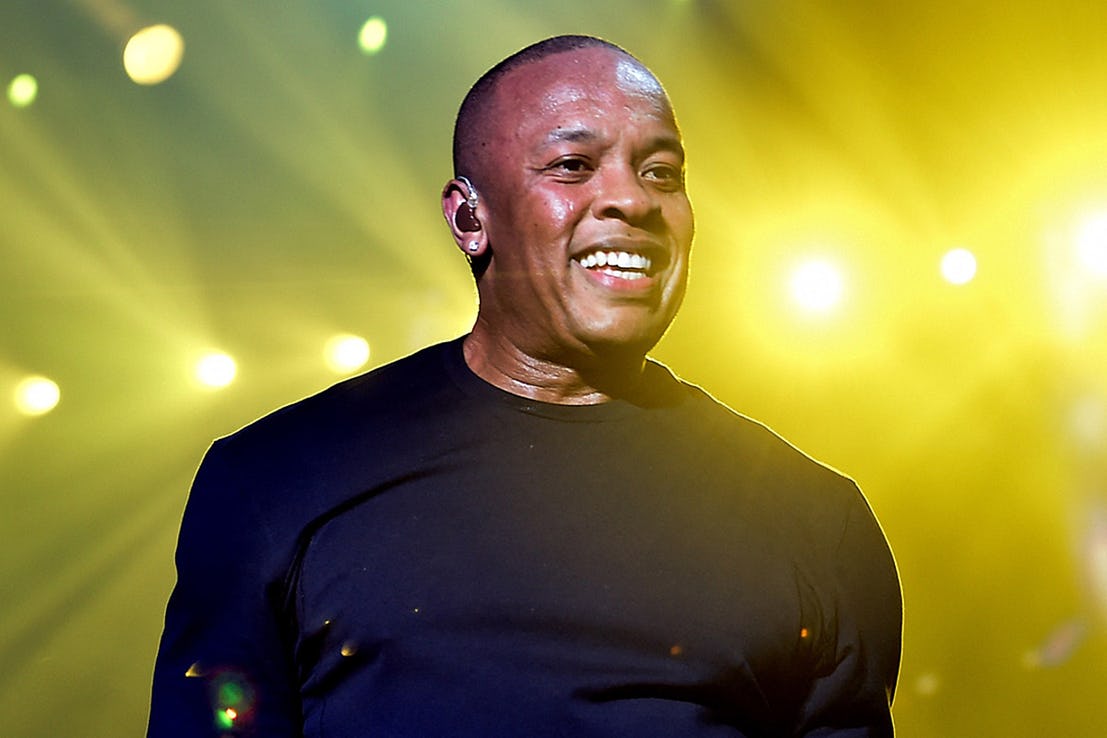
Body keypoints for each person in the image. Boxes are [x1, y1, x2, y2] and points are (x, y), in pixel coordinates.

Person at [147, 35, 902, 737]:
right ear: (469, 218)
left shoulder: (815, 521)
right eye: (573, 166)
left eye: (661, 173)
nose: (634, 200)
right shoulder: (276, 481)